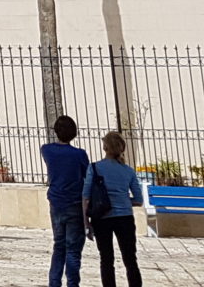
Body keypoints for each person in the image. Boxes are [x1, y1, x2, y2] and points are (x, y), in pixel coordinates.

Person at [84, 131, 144, 286]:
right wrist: (123, 200)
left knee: (106, 259)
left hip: (102, 217)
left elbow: (86, 197)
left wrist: (86, 222)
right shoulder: (128, 171)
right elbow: (138, 200)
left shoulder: (94, 168)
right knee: (130, 259)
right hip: (124, 217)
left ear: (105, 147)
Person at [41, 114, 89, 287]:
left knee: (59, 245)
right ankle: (72, 284)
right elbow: (87, 175)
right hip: (74, 204)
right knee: (73, 249)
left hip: (56, 203)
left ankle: (54, 283)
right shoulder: (79, 155)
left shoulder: (46, 150)